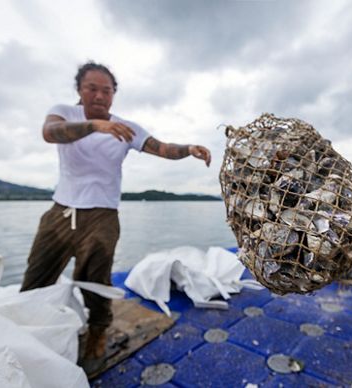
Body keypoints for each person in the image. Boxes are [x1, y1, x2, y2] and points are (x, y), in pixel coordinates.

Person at [20, 61, 211, 371]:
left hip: (102, 215)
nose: (99, 96)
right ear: (79, 91)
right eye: (92, 89)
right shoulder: (64, 112)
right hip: (61, 211)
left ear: (114, 95)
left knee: (95, 281)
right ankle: (27, 329)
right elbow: (50, 133)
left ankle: (97, 334)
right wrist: (96, 126)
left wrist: (189, 148)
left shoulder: (126, 127)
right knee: (36, 277)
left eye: (106, 91)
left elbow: (161, 148)